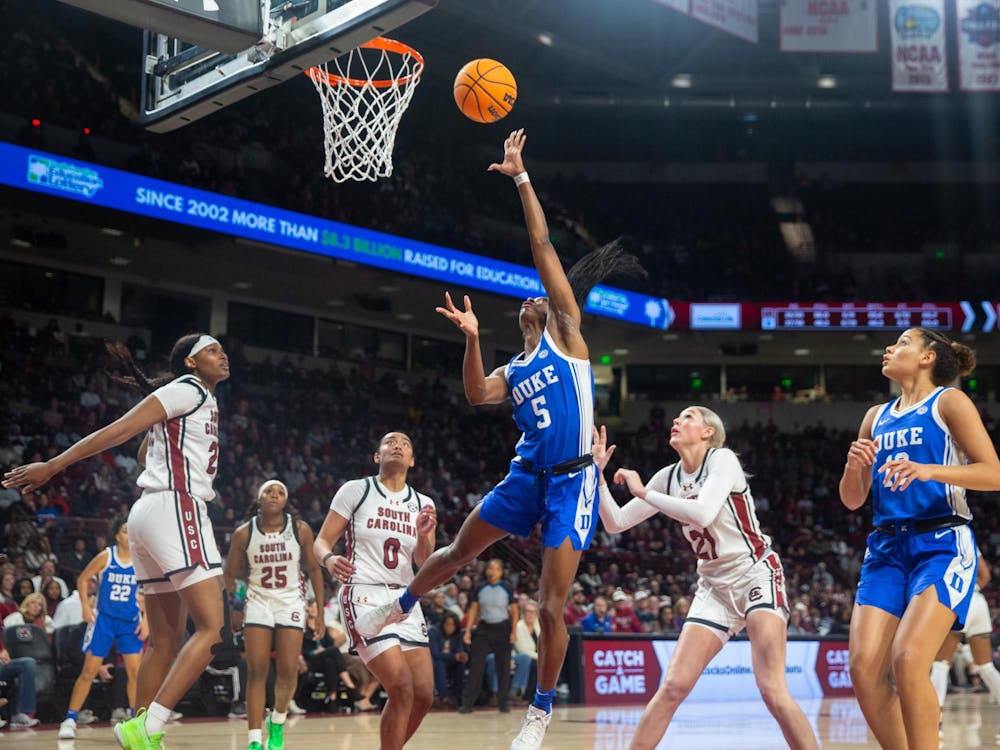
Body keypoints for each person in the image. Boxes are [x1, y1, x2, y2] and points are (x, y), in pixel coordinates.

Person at [354, 129, 646, 750]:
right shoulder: (513, 371)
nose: (532, 296)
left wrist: (520, 176)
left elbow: (540, 244)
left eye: (539, 293)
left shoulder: (568, 337)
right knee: (459, 549)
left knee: (549, 604)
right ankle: (402, 602)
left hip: (572, 481)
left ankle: (538, 711)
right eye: (527, 299)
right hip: (525, 476)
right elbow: (474, 395)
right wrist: (470, 338)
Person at [3, 333, 230, 750]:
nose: (223, 355)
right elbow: (119, 430)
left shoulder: (194, 399)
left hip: (147, 513)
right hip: (176, 509)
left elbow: (146, 454)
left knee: (165, 640)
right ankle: (151, 724)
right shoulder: (186, 389)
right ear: (192, 363)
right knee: (215, 631)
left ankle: (137, 732)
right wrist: (54, 465)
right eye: (213, 350)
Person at [595, 414, 819, 750]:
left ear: (708, 431)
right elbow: (616, 522)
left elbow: (702, 513)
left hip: (755, 572)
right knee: (672, 687)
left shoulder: (722, 459)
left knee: (772, 690)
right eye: (677, 416)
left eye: (688, 417)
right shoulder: (668, 476)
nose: (677, 420)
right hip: (713, 586)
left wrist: (643, 492)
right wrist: (596, 477)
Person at [838, 327, 1000, 750]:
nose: (891, 348)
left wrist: (931, 470)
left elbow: (994, 473)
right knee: (861, 669)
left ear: (928, 357)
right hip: (886, 548)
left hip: (941, 543)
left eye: (904, 343)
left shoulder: (948, 401)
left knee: (909, 660)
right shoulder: (875, 416)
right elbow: (853, 500)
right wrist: (854, 469)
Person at [313, 432, 438, 750]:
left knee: (423, 694)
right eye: (390, 442)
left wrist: (424, 537)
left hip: (405, 600)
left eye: (406, 443)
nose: (397, 445)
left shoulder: (424, 503)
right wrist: (328, 559)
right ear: (377, 456)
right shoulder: (356, 490)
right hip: (364, 595)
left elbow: (424, 562)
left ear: (412, 460)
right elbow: (321, 541)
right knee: (401, 687)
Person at [224, 479, 326, 750]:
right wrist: (232, 609)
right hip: (258, 601)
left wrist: (321, 615)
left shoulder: (300, 529)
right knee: (256, 670)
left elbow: (315, 570)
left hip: (291, 602)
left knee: (288, 670)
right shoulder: (244, 533)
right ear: (259, 498)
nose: (274, 495)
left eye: (280, 492)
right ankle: (255, 740)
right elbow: (229, 575)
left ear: (285, 500)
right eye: (269, 490)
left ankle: (277, 724)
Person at [59, 513, 147, 739]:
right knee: (89, 671)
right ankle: (70, 719)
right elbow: (82, 578)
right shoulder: (107, 556)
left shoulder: (141, 559)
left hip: (129, 622)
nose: (130, 535)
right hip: (105, 620)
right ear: (117, 535)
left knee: (135, 673)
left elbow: (150, 592)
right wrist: (86, 608)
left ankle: (136, 721)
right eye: (126, 531)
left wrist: (146, 620)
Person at [932, 546, 1000, 725]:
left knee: (940, 664)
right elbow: (985, 576)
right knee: (986, 667)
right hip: (978, 601)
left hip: (958, 601)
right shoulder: (968, 540)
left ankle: (934, 718)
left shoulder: (940, 537)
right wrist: (971, 588)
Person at [460, 559, 518, 713]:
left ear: (501, 571)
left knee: (503, 668)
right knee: (476, 667)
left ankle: (504, 703)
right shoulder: (480, 588)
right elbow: (473, 610)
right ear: (486, 571)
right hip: (484, 629)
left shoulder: (507, 587)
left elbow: (515, 610)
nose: (493, 571)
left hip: (503, 629)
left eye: (497, 568)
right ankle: (468, 704)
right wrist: (467, 631)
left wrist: (514, 632)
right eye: (491, 568)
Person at [429, 611, 468, 708]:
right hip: (434, 662)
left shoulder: (458, 634)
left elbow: (459, 651)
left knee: (461, 665)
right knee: (439, 663)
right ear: (443, 624)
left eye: (453, 625)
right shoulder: (433, 632)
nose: (449, 627)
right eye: (447, 624)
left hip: (450, 662)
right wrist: (454, 656)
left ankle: (456, 696)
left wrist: (462, 655)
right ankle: (443, 697)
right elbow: (435, 654)